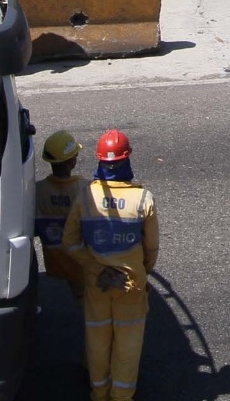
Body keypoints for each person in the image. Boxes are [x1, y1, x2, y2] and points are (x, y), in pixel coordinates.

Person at [61, 129, 157, 401]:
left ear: (100, 161)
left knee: (97, 338)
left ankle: (99, 392)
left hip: (97, 283)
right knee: (128, 343)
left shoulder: (85, 197)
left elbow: (70, 241)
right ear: (127, 160)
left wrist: (95, 268)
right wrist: (142, 272)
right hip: (131, 285)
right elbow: (151, 248)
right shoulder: (143, 199)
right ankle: (121, 396)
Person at [35, 131, 87, 301]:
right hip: (82, 263)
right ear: (72, 160)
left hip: (57, 262)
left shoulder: (37, 190)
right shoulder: (85, 189)